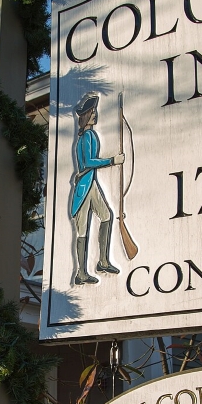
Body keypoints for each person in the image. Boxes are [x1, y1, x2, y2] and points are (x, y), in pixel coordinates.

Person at [69, 93, 124, 284]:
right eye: (91, 113)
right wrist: (112, 161)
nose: (94, 115)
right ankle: (81, 273)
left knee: (107, 215)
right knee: (82, 229)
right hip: (84, 186)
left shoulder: (90, 135)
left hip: (90, 183)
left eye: (94, 112)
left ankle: (102, 261)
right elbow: (87, 162)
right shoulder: (85, 137)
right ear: (85, 117)